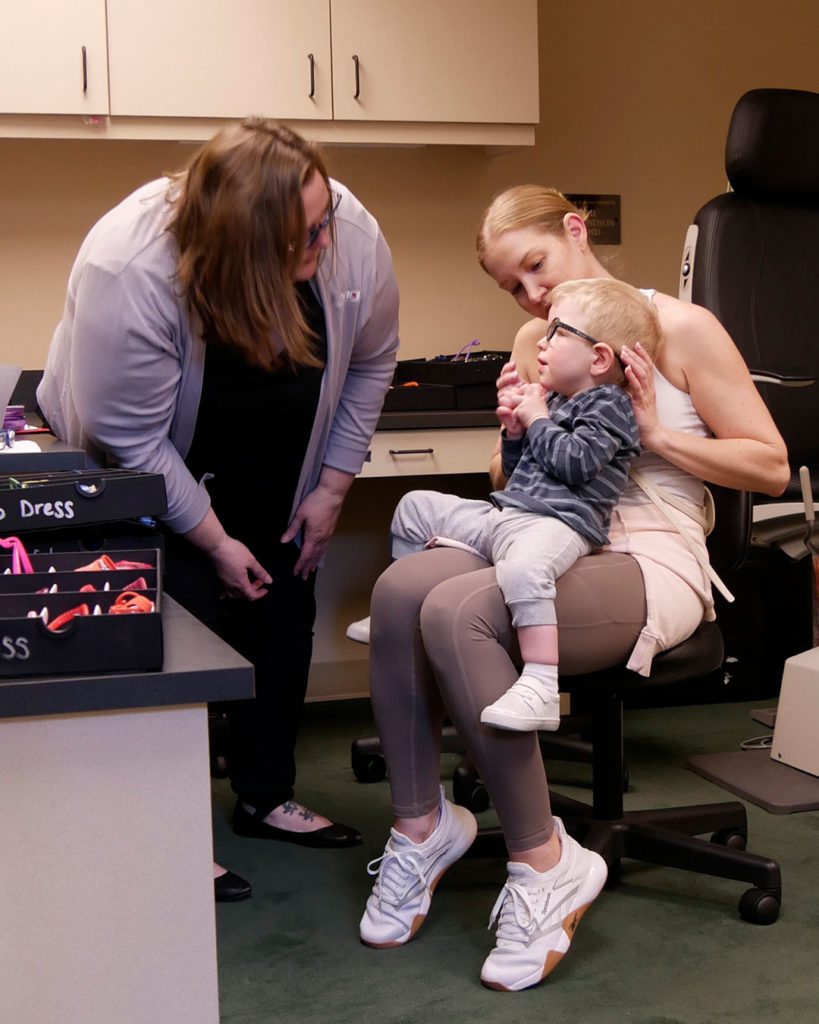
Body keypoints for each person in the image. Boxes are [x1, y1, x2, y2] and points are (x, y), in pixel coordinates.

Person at [359, 185, 788, 991]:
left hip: (649, 552)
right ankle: (421, 827)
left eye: (536, 266)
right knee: (400, 590)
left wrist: (655, 433)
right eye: (512, 288)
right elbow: (510, 478)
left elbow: (768, 466)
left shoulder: (678, 327)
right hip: (547, 531)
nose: (532, 295)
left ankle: (544, 861)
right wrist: (514, 429)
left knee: (457, 611)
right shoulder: (538, 339)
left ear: (573, 229)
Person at [37, 119, 400, 892]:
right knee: (172, 629)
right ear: (243, 246)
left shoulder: (344, 226)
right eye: (304, 236)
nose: (326, 240)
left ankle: (266, 797)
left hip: (279, 463)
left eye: (325, 218)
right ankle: (166, 829)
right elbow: (130, 437)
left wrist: (332, 488)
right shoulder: (127, 267)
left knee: (284, 610)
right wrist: (213, 540)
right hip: (145, 472)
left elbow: (372, 361)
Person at [388, 278, 660, 732]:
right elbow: (518, 473)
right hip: (510, 515)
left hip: (559, 524)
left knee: (523, 571)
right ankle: (402, 614)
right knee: (414, 507)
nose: (541, 343)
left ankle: (540, 684)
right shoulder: (553, 400)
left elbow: (576, 464)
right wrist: (514, 432)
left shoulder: (609, 406)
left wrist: (535, 419)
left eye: (557, 333)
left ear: (599, 359)